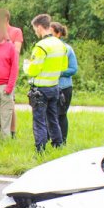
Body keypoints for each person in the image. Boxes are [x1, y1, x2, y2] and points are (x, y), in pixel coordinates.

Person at [24, 14, 67, 152]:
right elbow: (64, 66)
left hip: (41, 89)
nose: (35, 32)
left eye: (35, 29)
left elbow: (33, 70)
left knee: (39, 121)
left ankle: (40, 150)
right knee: (53, 119)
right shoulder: (60, 45)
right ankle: (58, 145)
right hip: (54, 87)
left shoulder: (41, 46)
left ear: (39, 27)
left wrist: (26, 65)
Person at [0, 8, 24, 138]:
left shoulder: (16, 32)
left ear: (5, 18)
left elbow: (16, 52)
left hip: (9, 73)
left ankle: (12, 131)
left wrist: (6, 37)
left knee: (10, 104)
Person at [51, 21, 79, 143]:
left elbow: (73, 69)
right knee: (51, 116)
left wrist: (59, 72)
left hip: (64, 87)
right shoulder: (46, 48)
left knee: (61, 115)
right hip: (49, 86)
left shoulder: (67, 49)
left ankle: (62, 141)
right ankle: (52, 140)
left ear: (58, 34)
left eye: (51, 33)